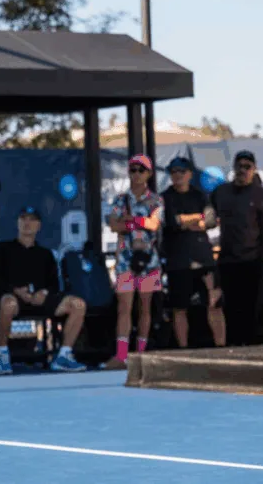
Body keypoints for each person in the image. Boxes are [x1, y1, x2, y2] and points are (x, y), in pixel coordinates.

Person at [0, 207, 87, 373]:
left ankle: (63, 356)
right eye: (23, 219)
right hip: (15, 299)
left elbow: (53, 285)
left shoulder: (45, 254)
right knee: (7, 303)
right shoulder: (3, 248)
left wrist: (44, 293)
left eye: (32, 219)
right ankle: (2, 355)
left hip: (40, 299)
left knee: (78, 304)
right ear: (18, 222)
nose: (27, 223)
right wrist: (15, 290)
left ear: (39, 225)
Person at [105, 154, 164, 369]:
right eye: (133, 170)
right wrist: (134, 224)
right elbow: (113, 224)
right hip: (125, 260)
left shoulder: (156, 200)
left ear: (148, 174)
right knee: (124, 306)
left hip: (149, 261)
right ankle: (121, 356)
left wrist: (133, 221)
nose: (137, 174)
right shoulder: (121, 199)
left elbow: (154, 224)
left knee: (145, 307)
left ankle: (140, 355)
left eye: (141, 170)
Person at [160, 158, 225, 349]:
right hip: (178, 261)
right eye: (174, 172)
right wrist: (197, 219)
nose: (178, 175)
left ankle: (221, 347)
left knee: (215, 303)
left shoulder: (201, 196)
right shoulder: (165, 197)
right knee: (179, 308)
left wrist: (185, 221)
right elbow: (172, 222)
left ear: (189, 174)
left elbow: (211, 221)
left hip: (204, 260)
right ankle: (183, 349)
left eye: (182, 171)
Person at [210, 150, 263, 346]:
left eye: (248, 167)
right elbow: (208, 220)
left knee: (252, 307)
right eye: (240, 166)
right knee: (229, 306)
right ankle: (233, 346)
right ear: (234, 168)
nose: (243, 170)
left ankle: (252, 346)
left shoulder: (262, 195)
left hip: (253, 260)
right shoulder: (221, 192)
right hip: (227, 260)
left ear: (254, 170)